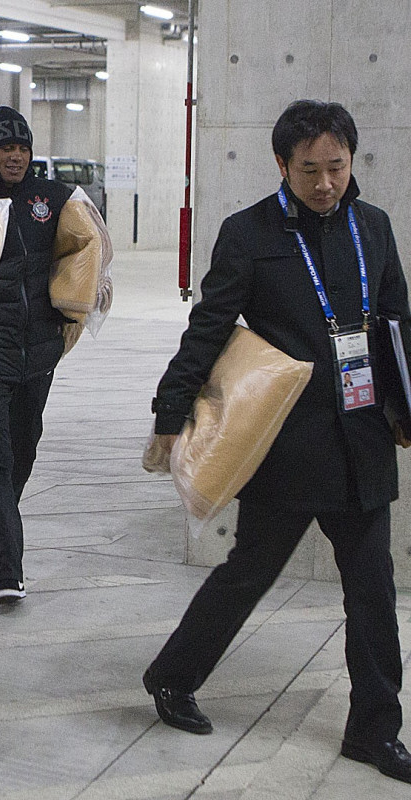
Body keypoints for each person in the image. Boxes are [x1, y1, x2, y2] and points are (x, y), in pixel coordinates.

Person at [143, 100, 411, 785]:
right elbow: (208, 328)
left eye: (337, 167)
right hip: (287, 444)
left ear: (353, 161)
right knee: (248, 573)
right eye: (309, 170)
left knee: (373, 590)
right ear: (282, 166)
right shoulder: (248, 233)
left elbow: (396, 321)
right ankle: (172, 678)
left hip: (362, 440)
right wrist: (170, 412)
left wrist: (406, 406)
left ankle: (375, 730)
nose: (325, 183)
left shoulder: (372, 227)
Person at [0, 106, 80, 603]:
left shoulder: (48, 197)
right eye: (6, 148)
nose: (16, 157)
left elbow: (85, 243)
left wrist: (89, 294)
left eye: (23, 148)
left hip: (39, 350)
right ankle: (7, 573)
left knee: (24, 450)